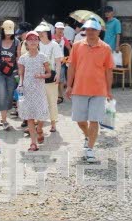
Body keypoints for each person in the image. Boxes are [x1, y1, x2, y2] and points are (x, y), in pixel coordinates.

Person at [66, 18, 114, 163]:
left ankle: (90, 149)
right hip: (79, 87)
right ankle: (88, 136)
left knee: (94, 120)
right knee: (80, 120)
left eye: (93, 29)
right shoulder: (77, 45)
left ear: (99, 31)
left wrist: (109, 90)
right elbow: (72, 66)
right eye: (88, 29)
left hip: (99, 89)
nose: (90, 32)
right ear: (84, 30)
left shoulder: (105, 48)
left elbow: (108, 70)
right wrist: (69, 85)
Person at [17, 31, 51, 151]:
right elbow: (21, 74)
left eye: (35, 39)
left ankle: (40, 129)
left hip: (39, 89)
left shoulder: (43, 57)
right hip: (27, 89)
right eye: (30, 39)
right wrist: (20, 84)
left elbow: (49, 73)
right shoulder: (22, 58)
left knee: (41, 114)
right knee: (30, 116)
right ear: (26, 42)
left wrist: (42, 76)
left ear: (38, 42)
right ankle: (33, 143)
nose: (32, 41)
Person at [0, 20, 21, 131]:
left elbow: (18, 57)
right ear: (2, 30)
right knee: (1, 93)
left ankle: (4, 117)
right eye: (6, 31)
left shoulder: (17, 42)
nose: (8, 33)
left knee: (9, 95)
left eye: (10, 31)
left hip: (12, 72)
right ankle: (4, 120)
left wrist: (20, 72)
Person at [36, 24, 62, 133]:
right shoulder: (36, 45)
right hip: (38, 76)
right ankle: (39, 123)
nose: (41, 34)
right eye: (39, 32)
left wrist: (58, 74)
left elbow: (57, 61)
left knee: (52, 101)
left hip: (51, 75)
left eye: (43, 32)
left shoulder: (54, 45)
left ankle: (53, 123)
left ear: (48, 33)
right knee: (39, 101)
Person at [53, 22, 72, 104]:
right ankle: (54, 95)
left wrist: (68, 59)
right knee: (53, 80)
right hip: (52, 62)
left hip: (61, 62)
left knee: (60, 80)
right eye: (59, 28)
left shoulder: (64, 39)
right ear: (55, 29)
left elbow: (70, 49)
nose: (60, 30)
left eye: (62, 28)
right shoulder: (51, 38)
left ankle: (60, 96)